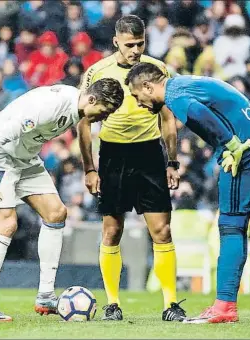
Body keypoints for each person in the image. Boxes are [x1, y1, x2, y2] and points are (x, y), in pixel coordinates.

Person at [0, 78, 124, 322]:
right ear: (92, 99)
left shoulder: (80, 107)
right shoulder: (49, 106)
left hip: (26, 159)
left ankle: (45, 295)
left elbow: (83, 132)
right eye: (104, 112)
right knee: (6, 226)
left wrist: (89, 169)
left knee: (56, 213)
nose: (103, 118)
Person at [125, 63, 250, 324]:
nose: (139, 103)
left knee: (231, 225)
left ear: (149, 86)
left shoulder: (174, 96)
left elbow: (199, 113)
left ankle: (225, 306)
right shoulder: (182, 85)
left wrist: (230, 144)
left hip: (246, 150)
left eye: (138, 96)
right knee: (234, 225)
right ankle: (225, 303)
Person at [78, 15, 185, 322]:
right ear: (116, 42)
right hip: (112, 156)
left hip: (149, 154)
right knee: (112, 230)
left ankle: (171, 304)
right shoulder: (97, 72)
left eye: (140, 44)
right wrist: (89, 168)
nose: (135, 51)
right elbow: (84, 124)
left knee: (162, 231)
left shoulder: (157, 69)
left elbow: (167, 118)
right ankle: (112, 303)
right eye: (129, 45)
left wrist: (172, 161)